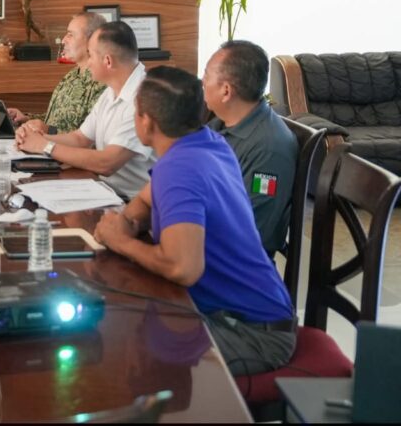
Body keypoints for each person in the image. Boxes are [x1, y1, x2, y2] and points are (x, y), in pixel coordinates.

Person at [94, 66, 296, 377]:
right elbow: (145, 200)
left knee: (115, 342)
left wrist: (121, 241)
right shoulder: (208, 142)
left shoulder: (178, 168)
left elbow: (182, 268)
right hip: (247, 314)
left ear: (146, 121)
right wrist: (129, 221)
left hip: (251, 333)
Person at [16, 21, 155, 198]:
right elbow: (80, 138)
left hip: (131, 203)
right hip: (103, 190)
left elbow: (107, 163)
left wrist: (45, 146)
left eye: (90, 55)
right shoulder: (111, 89)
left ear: (108, 61)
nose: (88, 63)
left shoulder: (143, 98)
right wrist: (36, 138)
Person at [204, 40, 298, 256]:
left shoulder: (269, 149)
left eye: (206, 76)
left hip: (233, 263)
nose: (202, 82)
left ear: (226, 91)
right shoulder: (221, 123)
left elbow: (254, 231)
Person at [9, 12, 107, 133]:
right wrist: (26, 118)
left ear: (92, 40)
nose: (63, 40)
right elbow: (55, 120)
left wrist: (48, 131)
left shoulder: (102, 84)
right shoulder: (72, 75)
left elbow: (92, 137)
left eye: (70, 35)